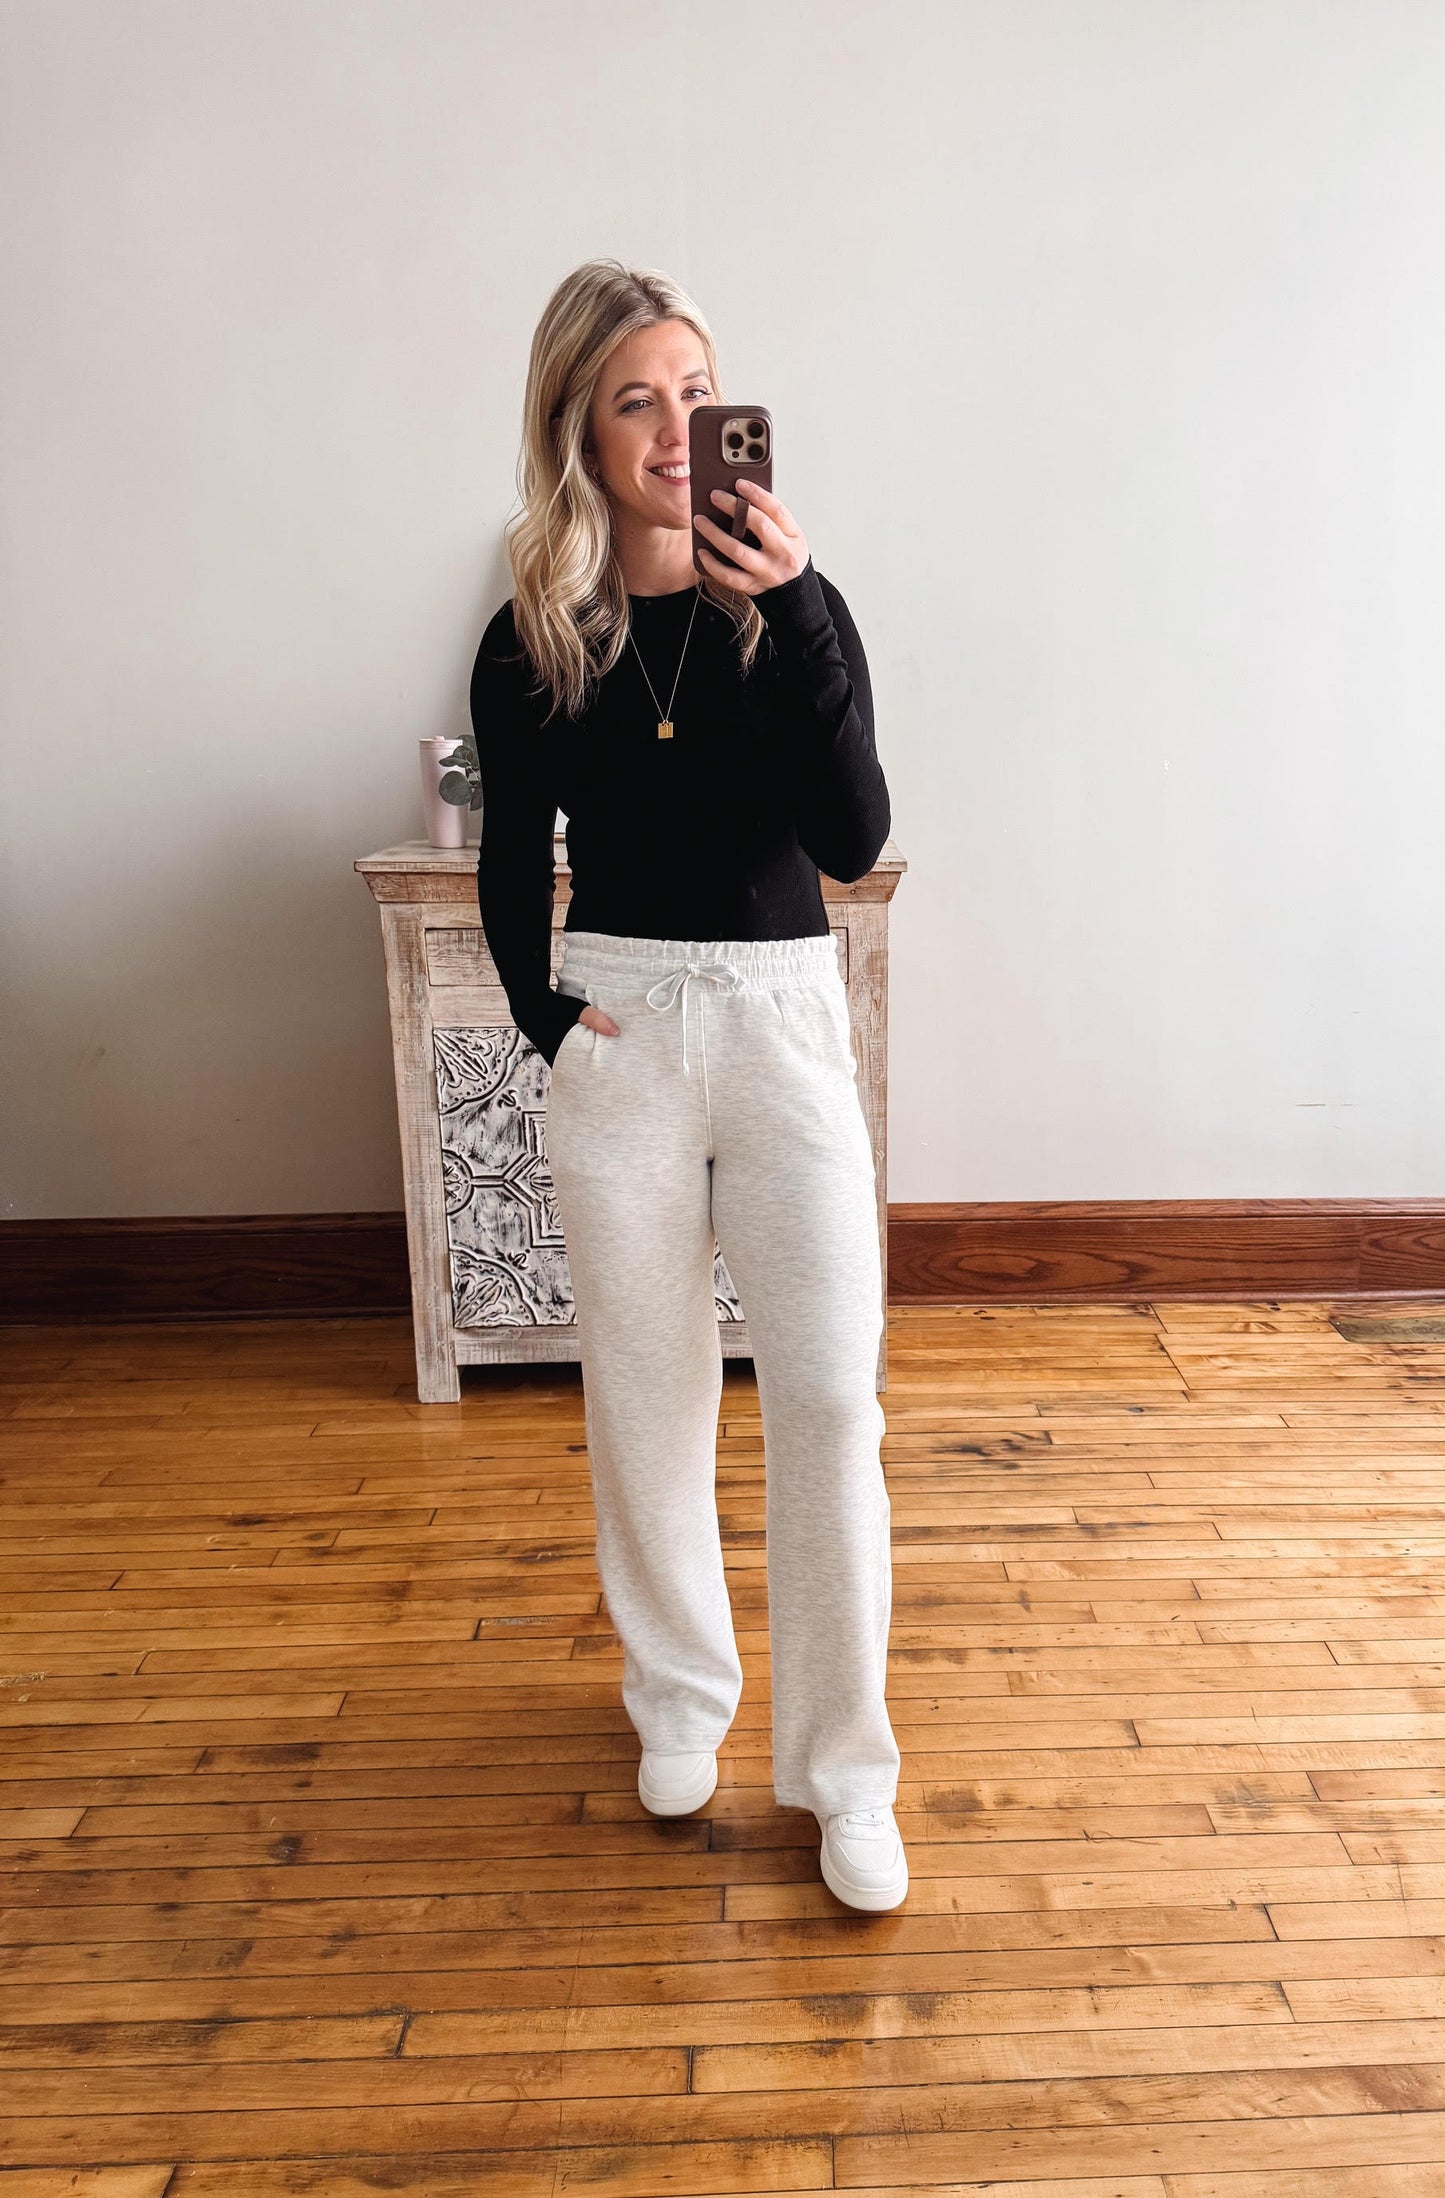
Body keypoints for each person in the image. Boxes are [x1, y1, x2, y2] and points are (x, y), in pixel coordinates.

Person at [470, 258, 906, 1912]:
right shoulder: (534, 638)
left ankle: (843, 1773)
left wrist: (793, 609)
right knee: (647, 1399)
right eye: (635, 397)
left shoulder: (795, 604)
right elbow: (518, 863)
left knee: (829, 1405)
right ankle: (677, 1697)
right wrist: (540, 1013)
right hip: (625, 1035)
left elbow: (854, 838)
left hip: (786, 1025)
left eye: (695, 391)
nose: (674, 429)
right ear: (579, 424)